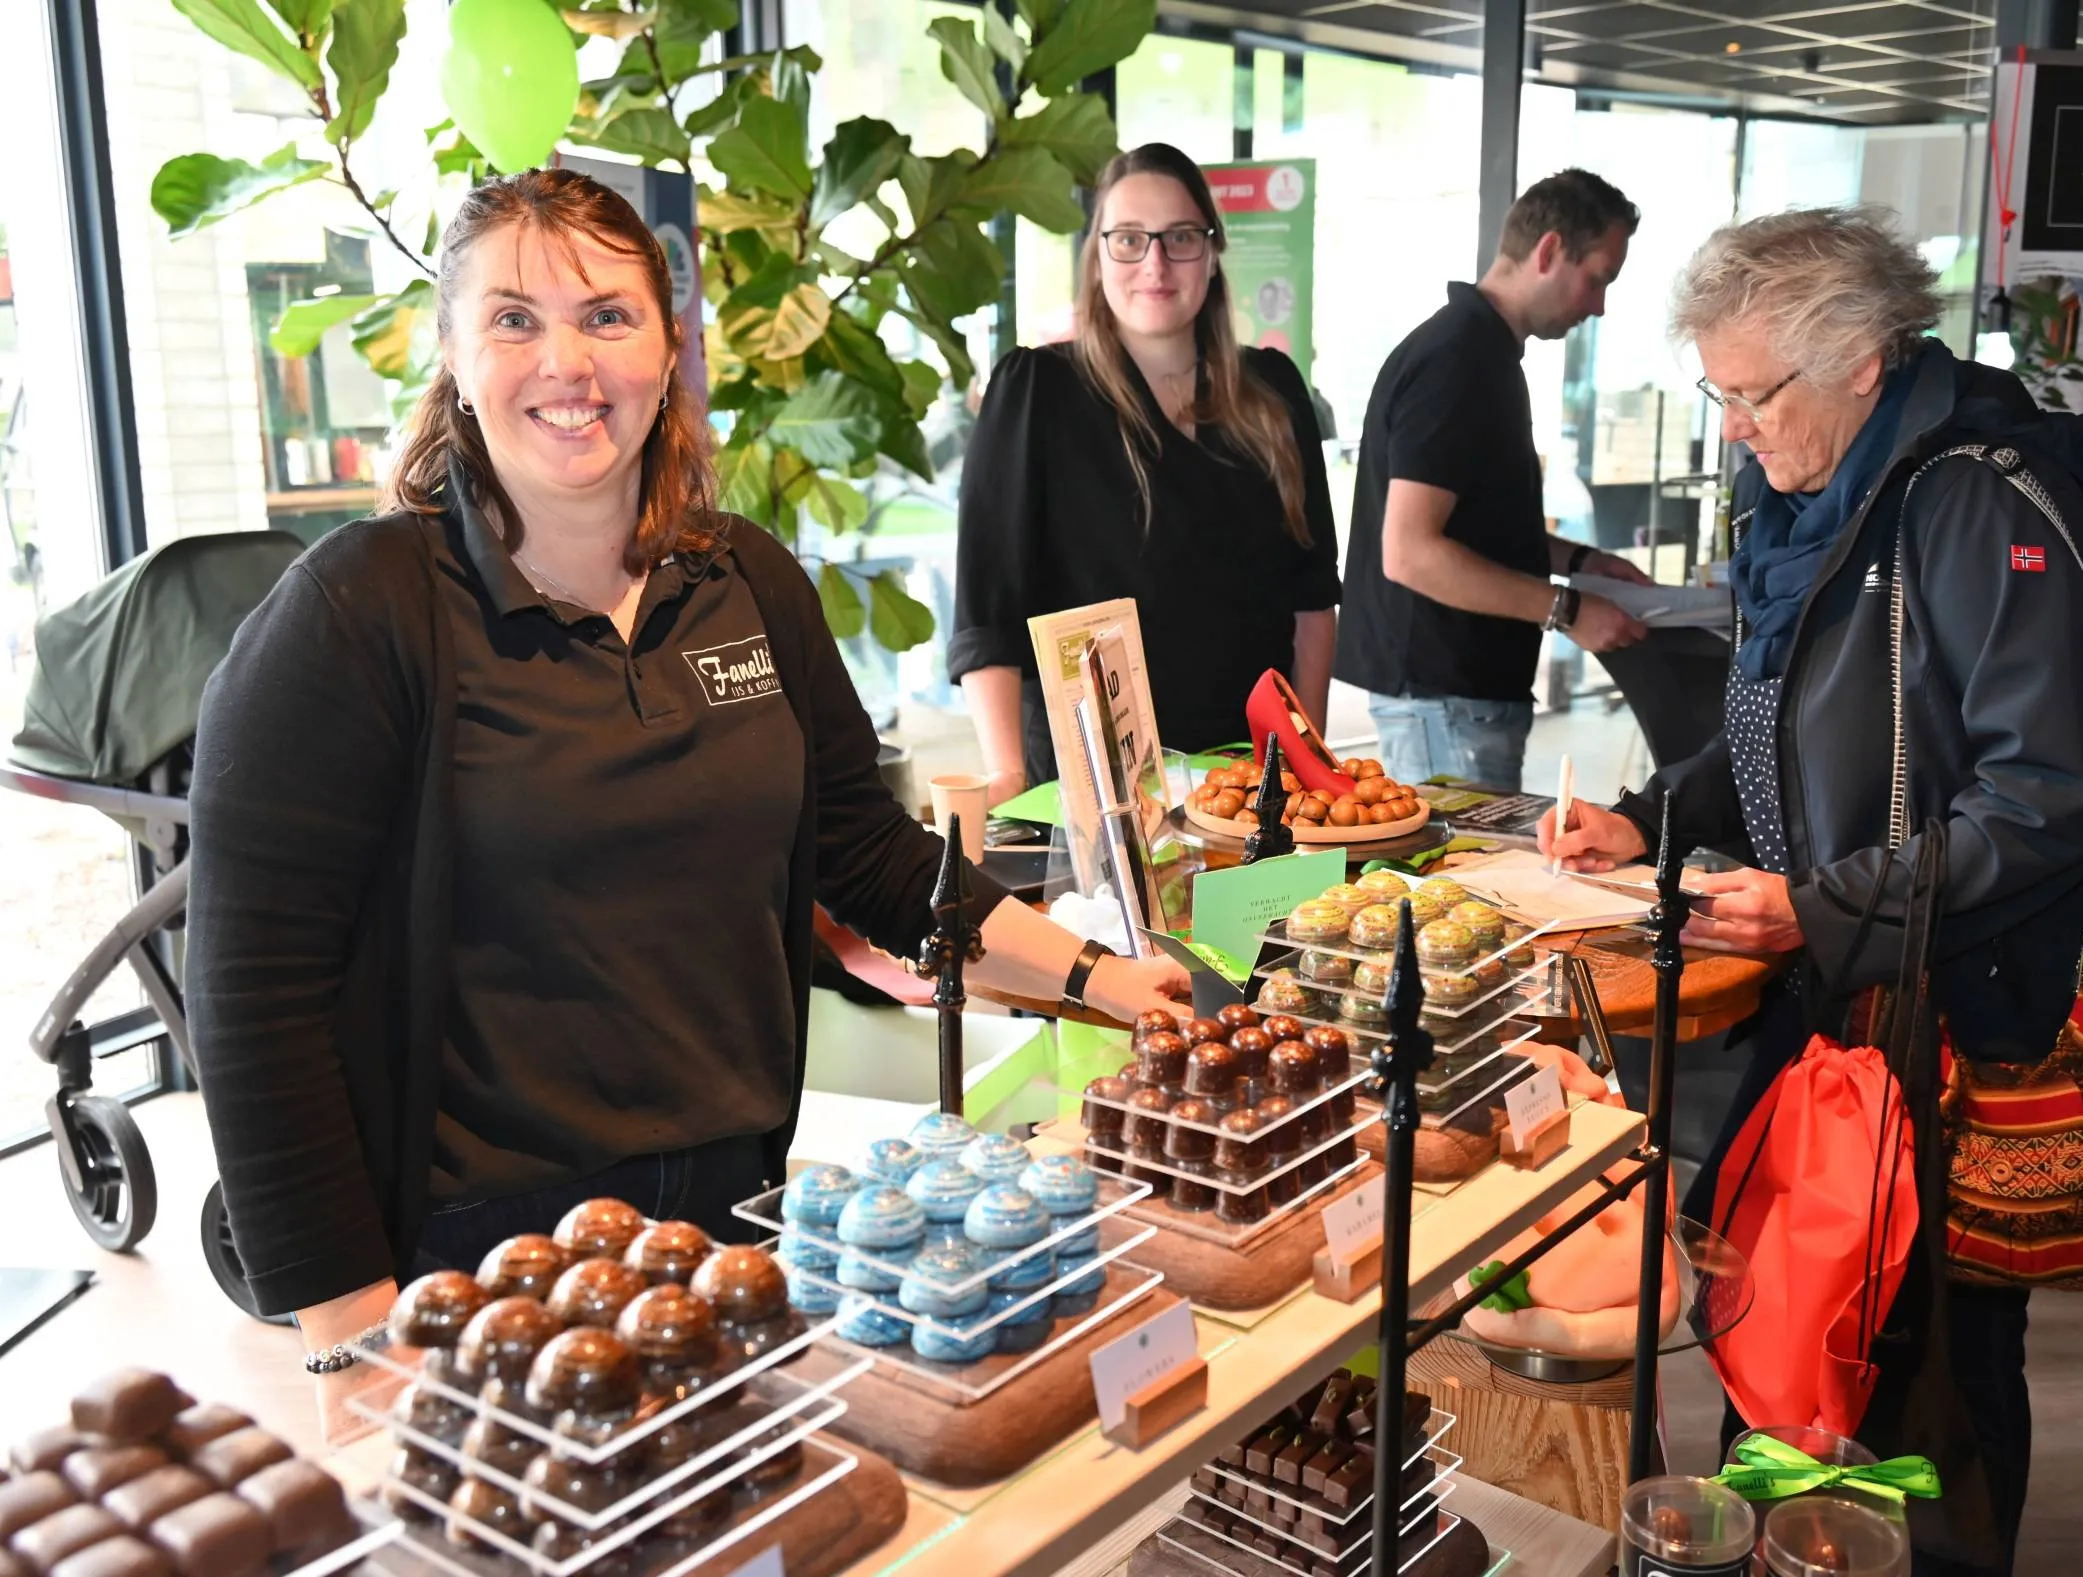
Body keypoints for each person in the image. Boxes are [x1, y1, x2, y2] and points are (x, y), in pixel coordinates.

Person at [185, 169, 1188, 1434]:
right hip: (484, 1263)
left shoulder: (745, 580)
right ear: (452, 353)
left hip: (735, 1227)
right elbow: (250, 994)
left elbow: (870, 857)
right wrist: (350, 1337)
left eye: (607, 316)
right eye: (513, 318)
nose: (567, 359)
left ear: (669, 348)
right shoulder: (360, 610)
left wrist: (1102, 978)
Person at [1538, 208, 2083, 1575]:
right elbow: (1773, 729)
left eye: (1750, 394)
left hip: (1956, 1009)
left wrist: (1819, 905)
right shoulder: (1807, 498)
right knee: (1793, 1310)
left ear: (1858, 360)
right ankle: (1787, 1548)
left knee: (1931, 1370)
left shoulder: (1973, 497)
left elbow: (2049, 799)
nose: (1731, 427)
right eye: (1715, 392)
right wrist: (1639, 819)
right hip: (1841, 992)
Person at [950, 143, 1340, 805]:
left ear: (1212, 254)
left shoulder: (1272, 392)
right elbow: (988, 610)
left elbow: (1311, 600)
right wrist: (1007, 777)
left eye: (1180, 237)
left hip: (1249, 785)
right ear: (1097, 258)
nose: (1155, 263)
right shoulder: (1036, 392)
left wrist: (1309, 768)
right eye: (1129, 239)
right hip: (1098, 795)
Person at [1334, 167, 1651, 790]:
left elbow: (1475, 531)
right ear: (1550, 250)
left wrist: (1581, 560)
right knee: (1453, 888)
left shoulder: (1479, 353)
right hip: (1444, 700)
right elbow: (1411, 553)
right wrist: (1568, 609)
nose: (1599, 305)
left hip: (1453, 699)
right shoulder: (1461, 359)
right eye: (1598, 279)